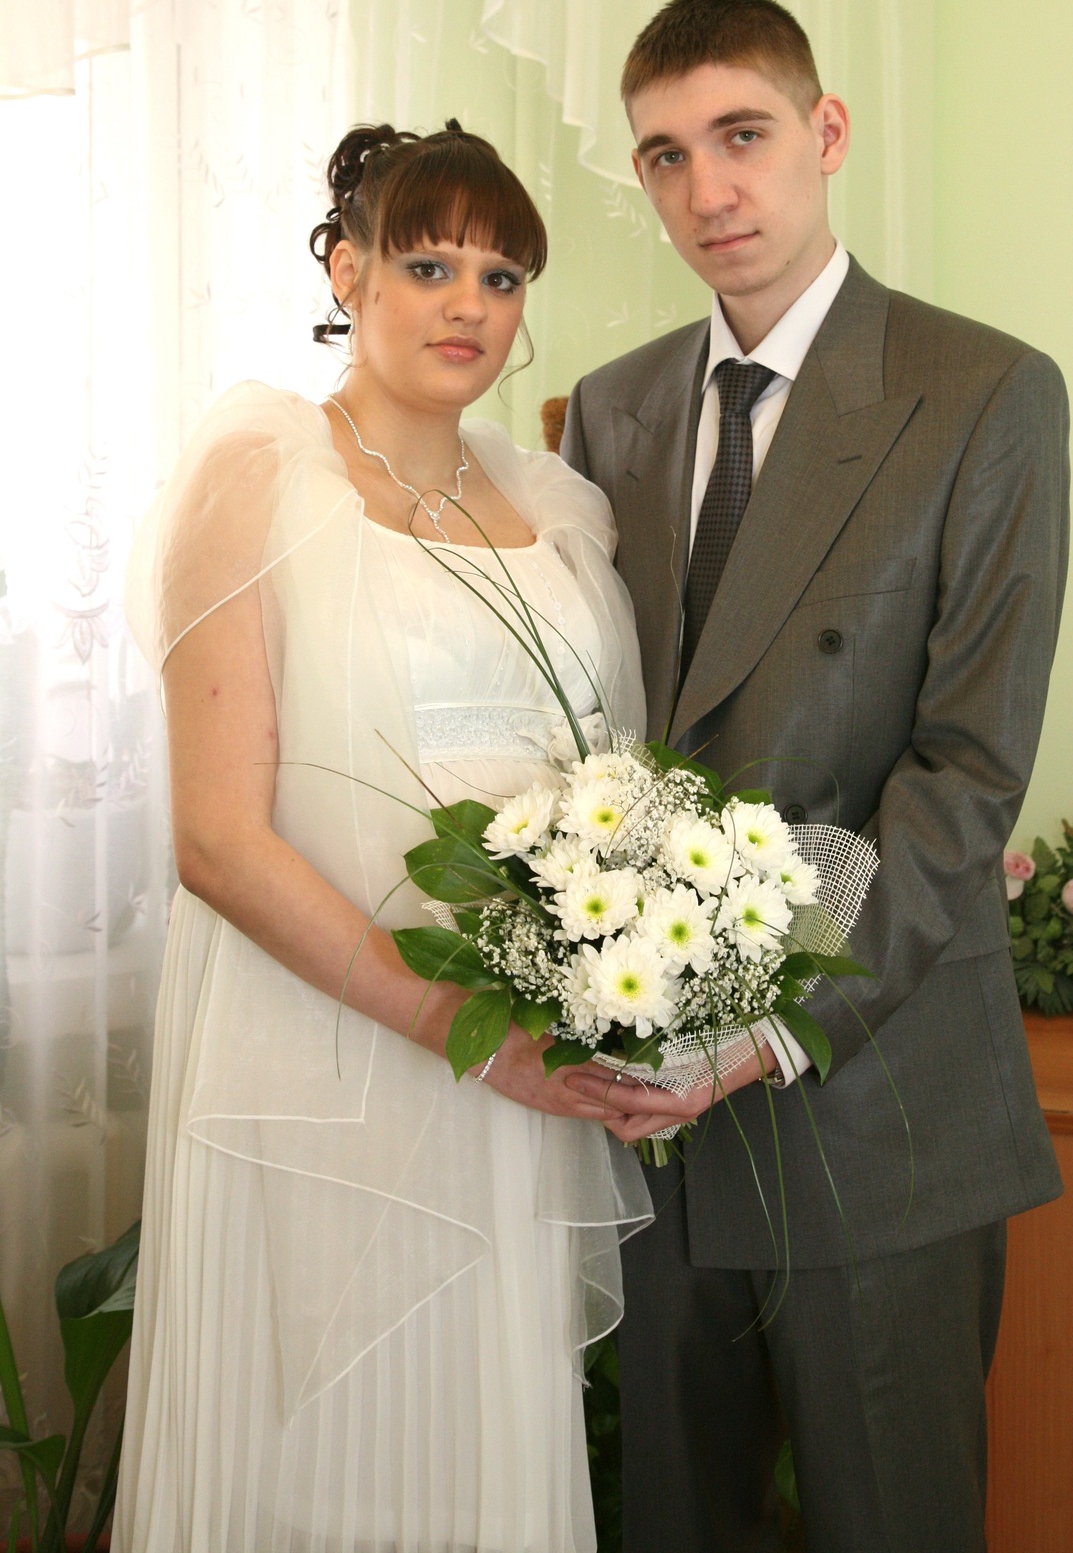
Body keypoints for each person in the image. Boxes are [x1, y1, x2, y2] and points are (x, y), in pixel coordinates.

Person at [560, 0, 1070, 1553]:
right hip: (658, 1117)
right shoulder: (611, 411)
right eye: (665, 155)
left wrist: (771, 1026)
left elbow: (965, 770)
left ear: (824, 131)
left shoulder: (984, 392)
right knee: (675, 1521)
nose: (707, 189)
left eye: (742, 135)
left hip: (876, 1096)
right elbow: (599, 741)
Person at [112, 120, 652, 1553]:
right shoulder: (258, 474)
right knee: (315, 1454)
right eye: (428, 266)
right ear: (347, 273)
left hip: (517, 1078)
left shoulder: (554, 512)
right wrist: (465, 1033)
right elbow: (217, 840)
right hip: (326, 1058)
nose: (470, 303)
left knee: (479, 1448)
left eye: (502, 276)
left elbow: (609, 791)